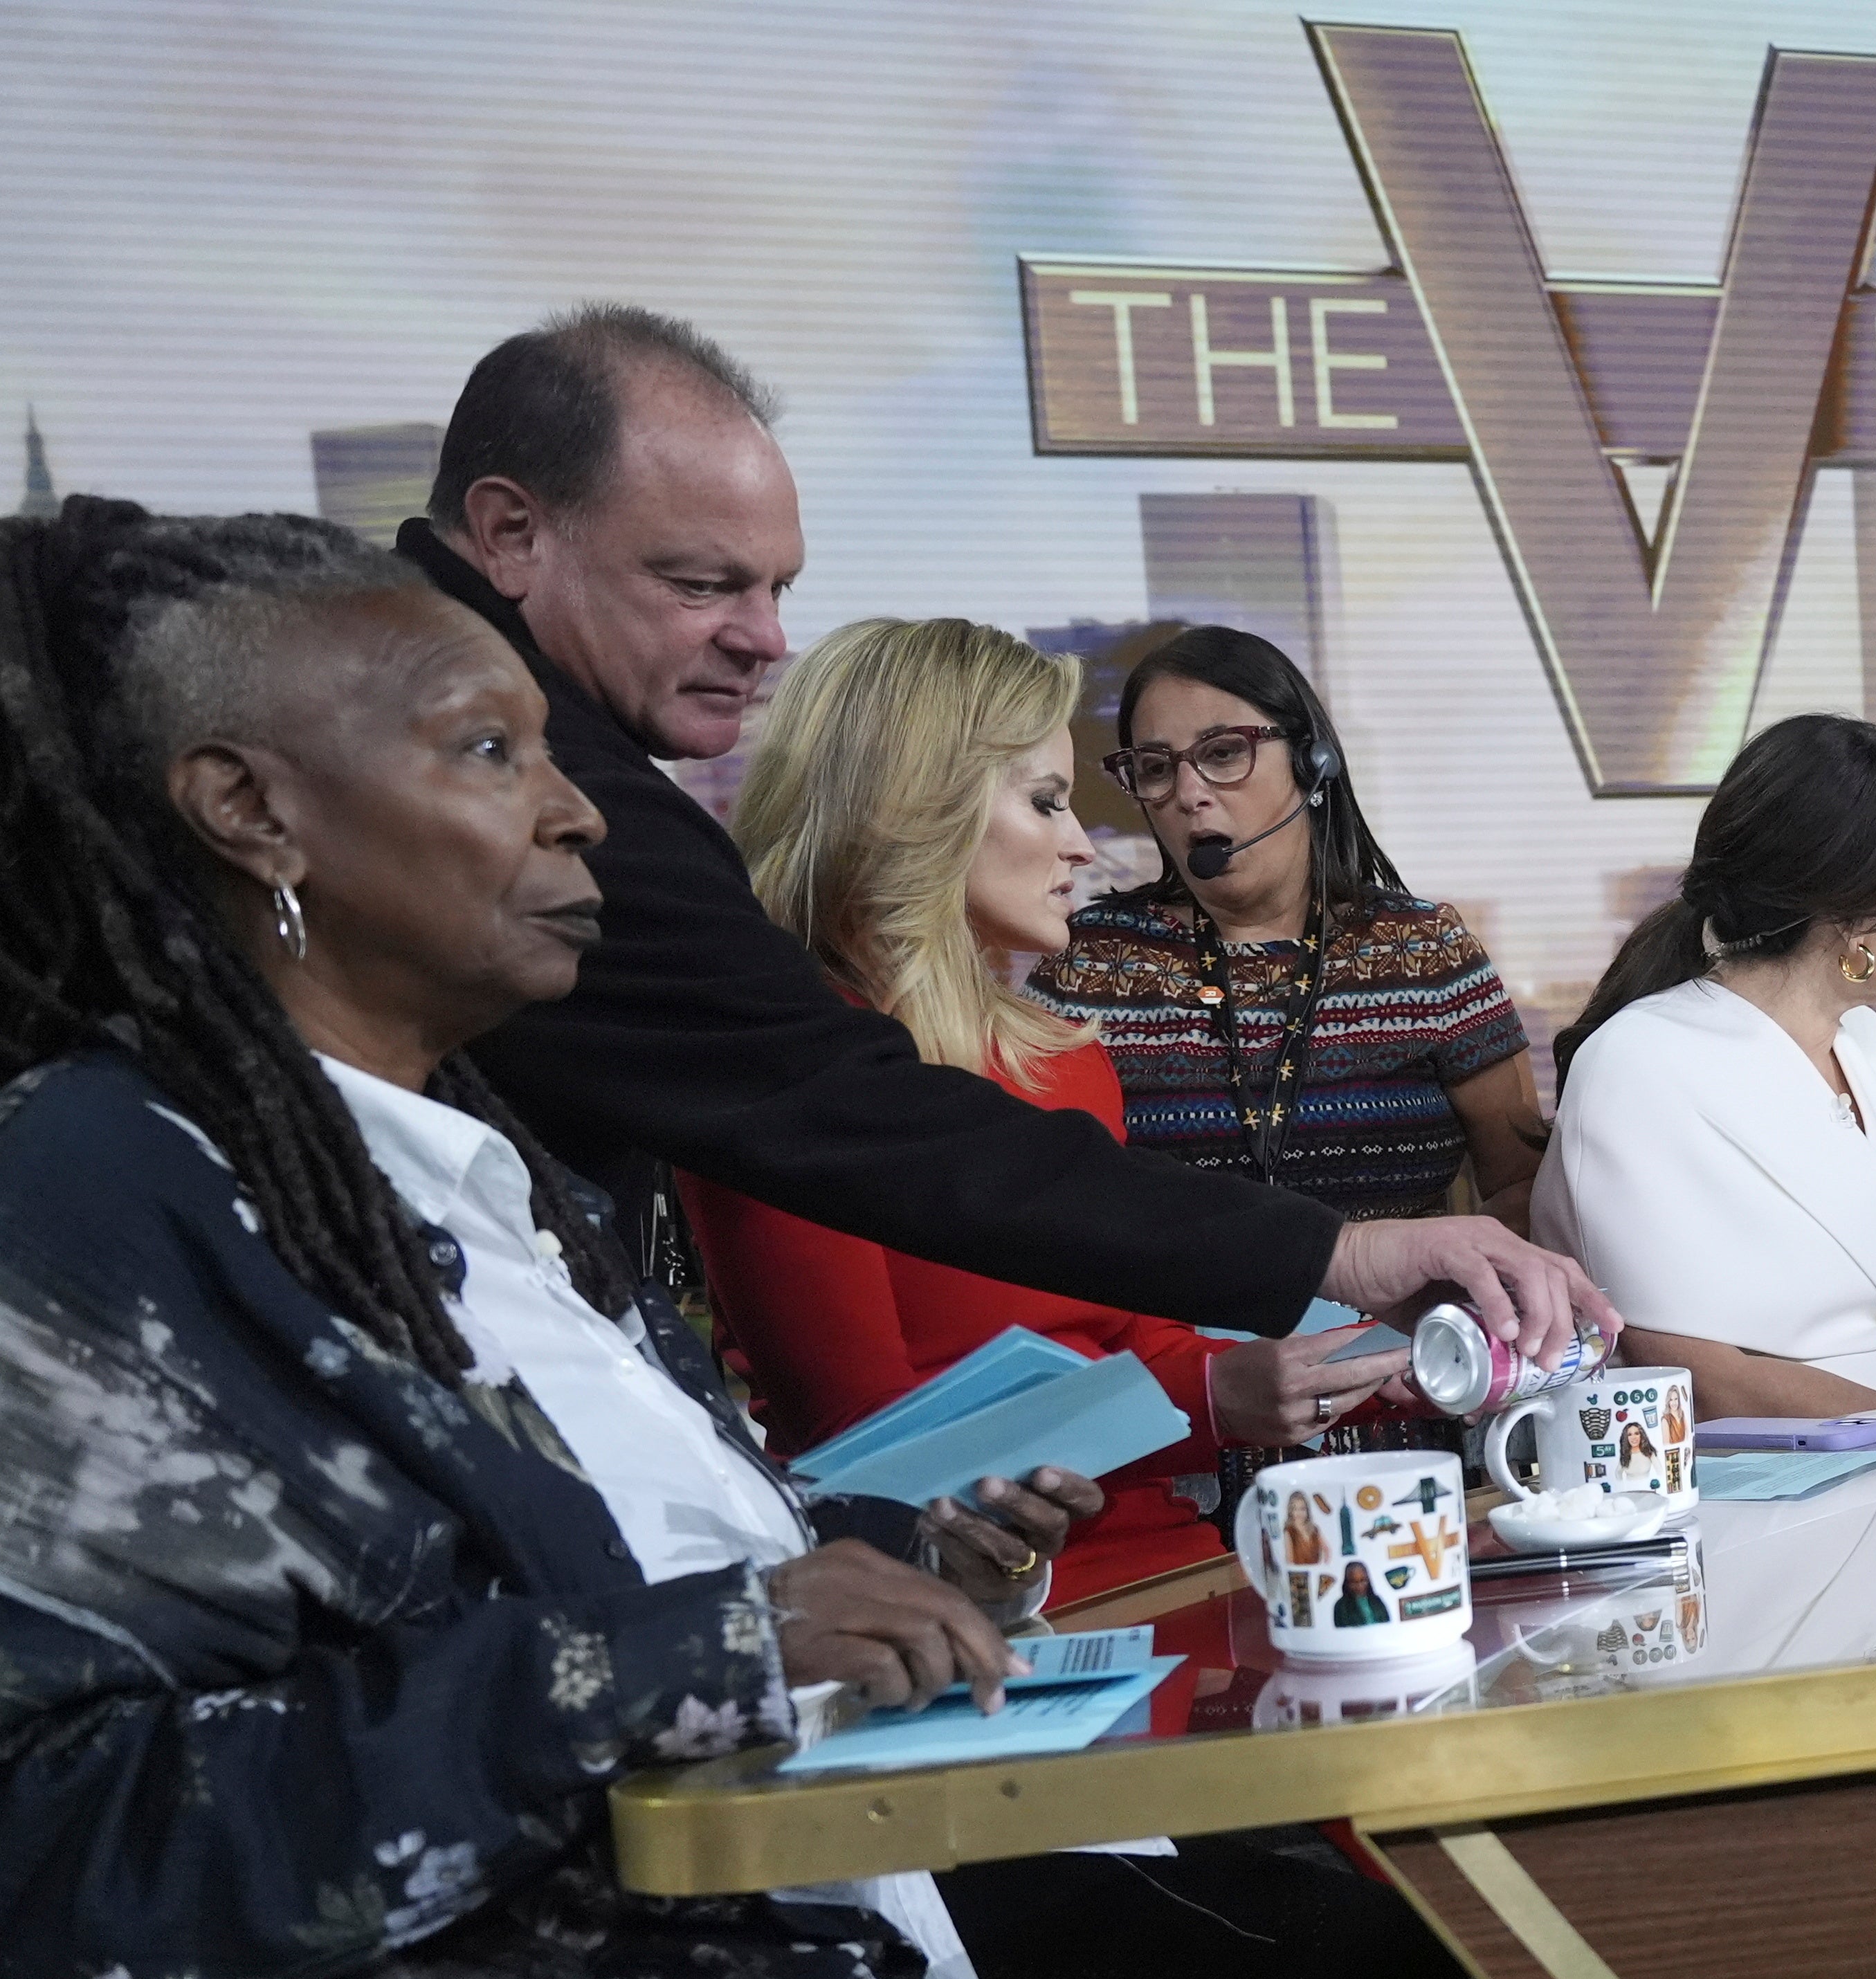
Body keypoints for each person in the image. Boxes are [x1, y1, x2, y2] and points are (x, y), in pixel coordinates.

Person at [0, 500, 1459, 1979]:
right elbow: (43, 1825)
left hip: (730, 1930)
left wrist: (870, 1565)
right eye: (483, 751)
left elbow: (582, 1556)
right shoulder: (63, 1200)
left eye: (555, 751)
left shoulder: (459, 1169)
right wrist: (708, 1649)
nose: (574, 814)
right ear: (249, 811)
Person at [399, 303, 1605, 1360]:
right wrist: (1331, 1259)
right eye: (703, 584)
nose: (764, 639)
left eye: (778, 589)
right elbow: (856, 1131)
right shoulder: (519, 785)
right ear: (511, 534)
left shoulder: (481, 724)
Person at [677, 617, 1409, 1601]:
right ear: (917, 807)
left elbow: (1142, 1344)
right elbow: (865, 1447)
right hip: (978, 1622)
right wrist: (1210, 1394)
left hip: (1181, 1567)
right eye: (1047, 802)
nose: (1082, 844)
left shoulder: (1063, 1058)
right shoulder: (778, 1087)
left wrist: (1323, 1370)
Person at [1538, 715, 1876, 1413]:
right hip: (1755, 1489)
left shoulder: (1867, 1043)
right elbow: (1691, 1373)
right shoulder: (1636, 1068)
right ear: (1855, 911)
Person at [1035, 624, 1543, 1232]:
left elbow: (1522, 1188)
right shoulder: (1087, 960)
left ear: (1312, 762)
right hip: (1177, 1324)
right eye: (1155, 767)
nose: (1190, 793)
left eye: (1223, 752)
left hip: (1396, 1323)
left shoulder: (1427, 952)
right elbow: (1039, 1199)